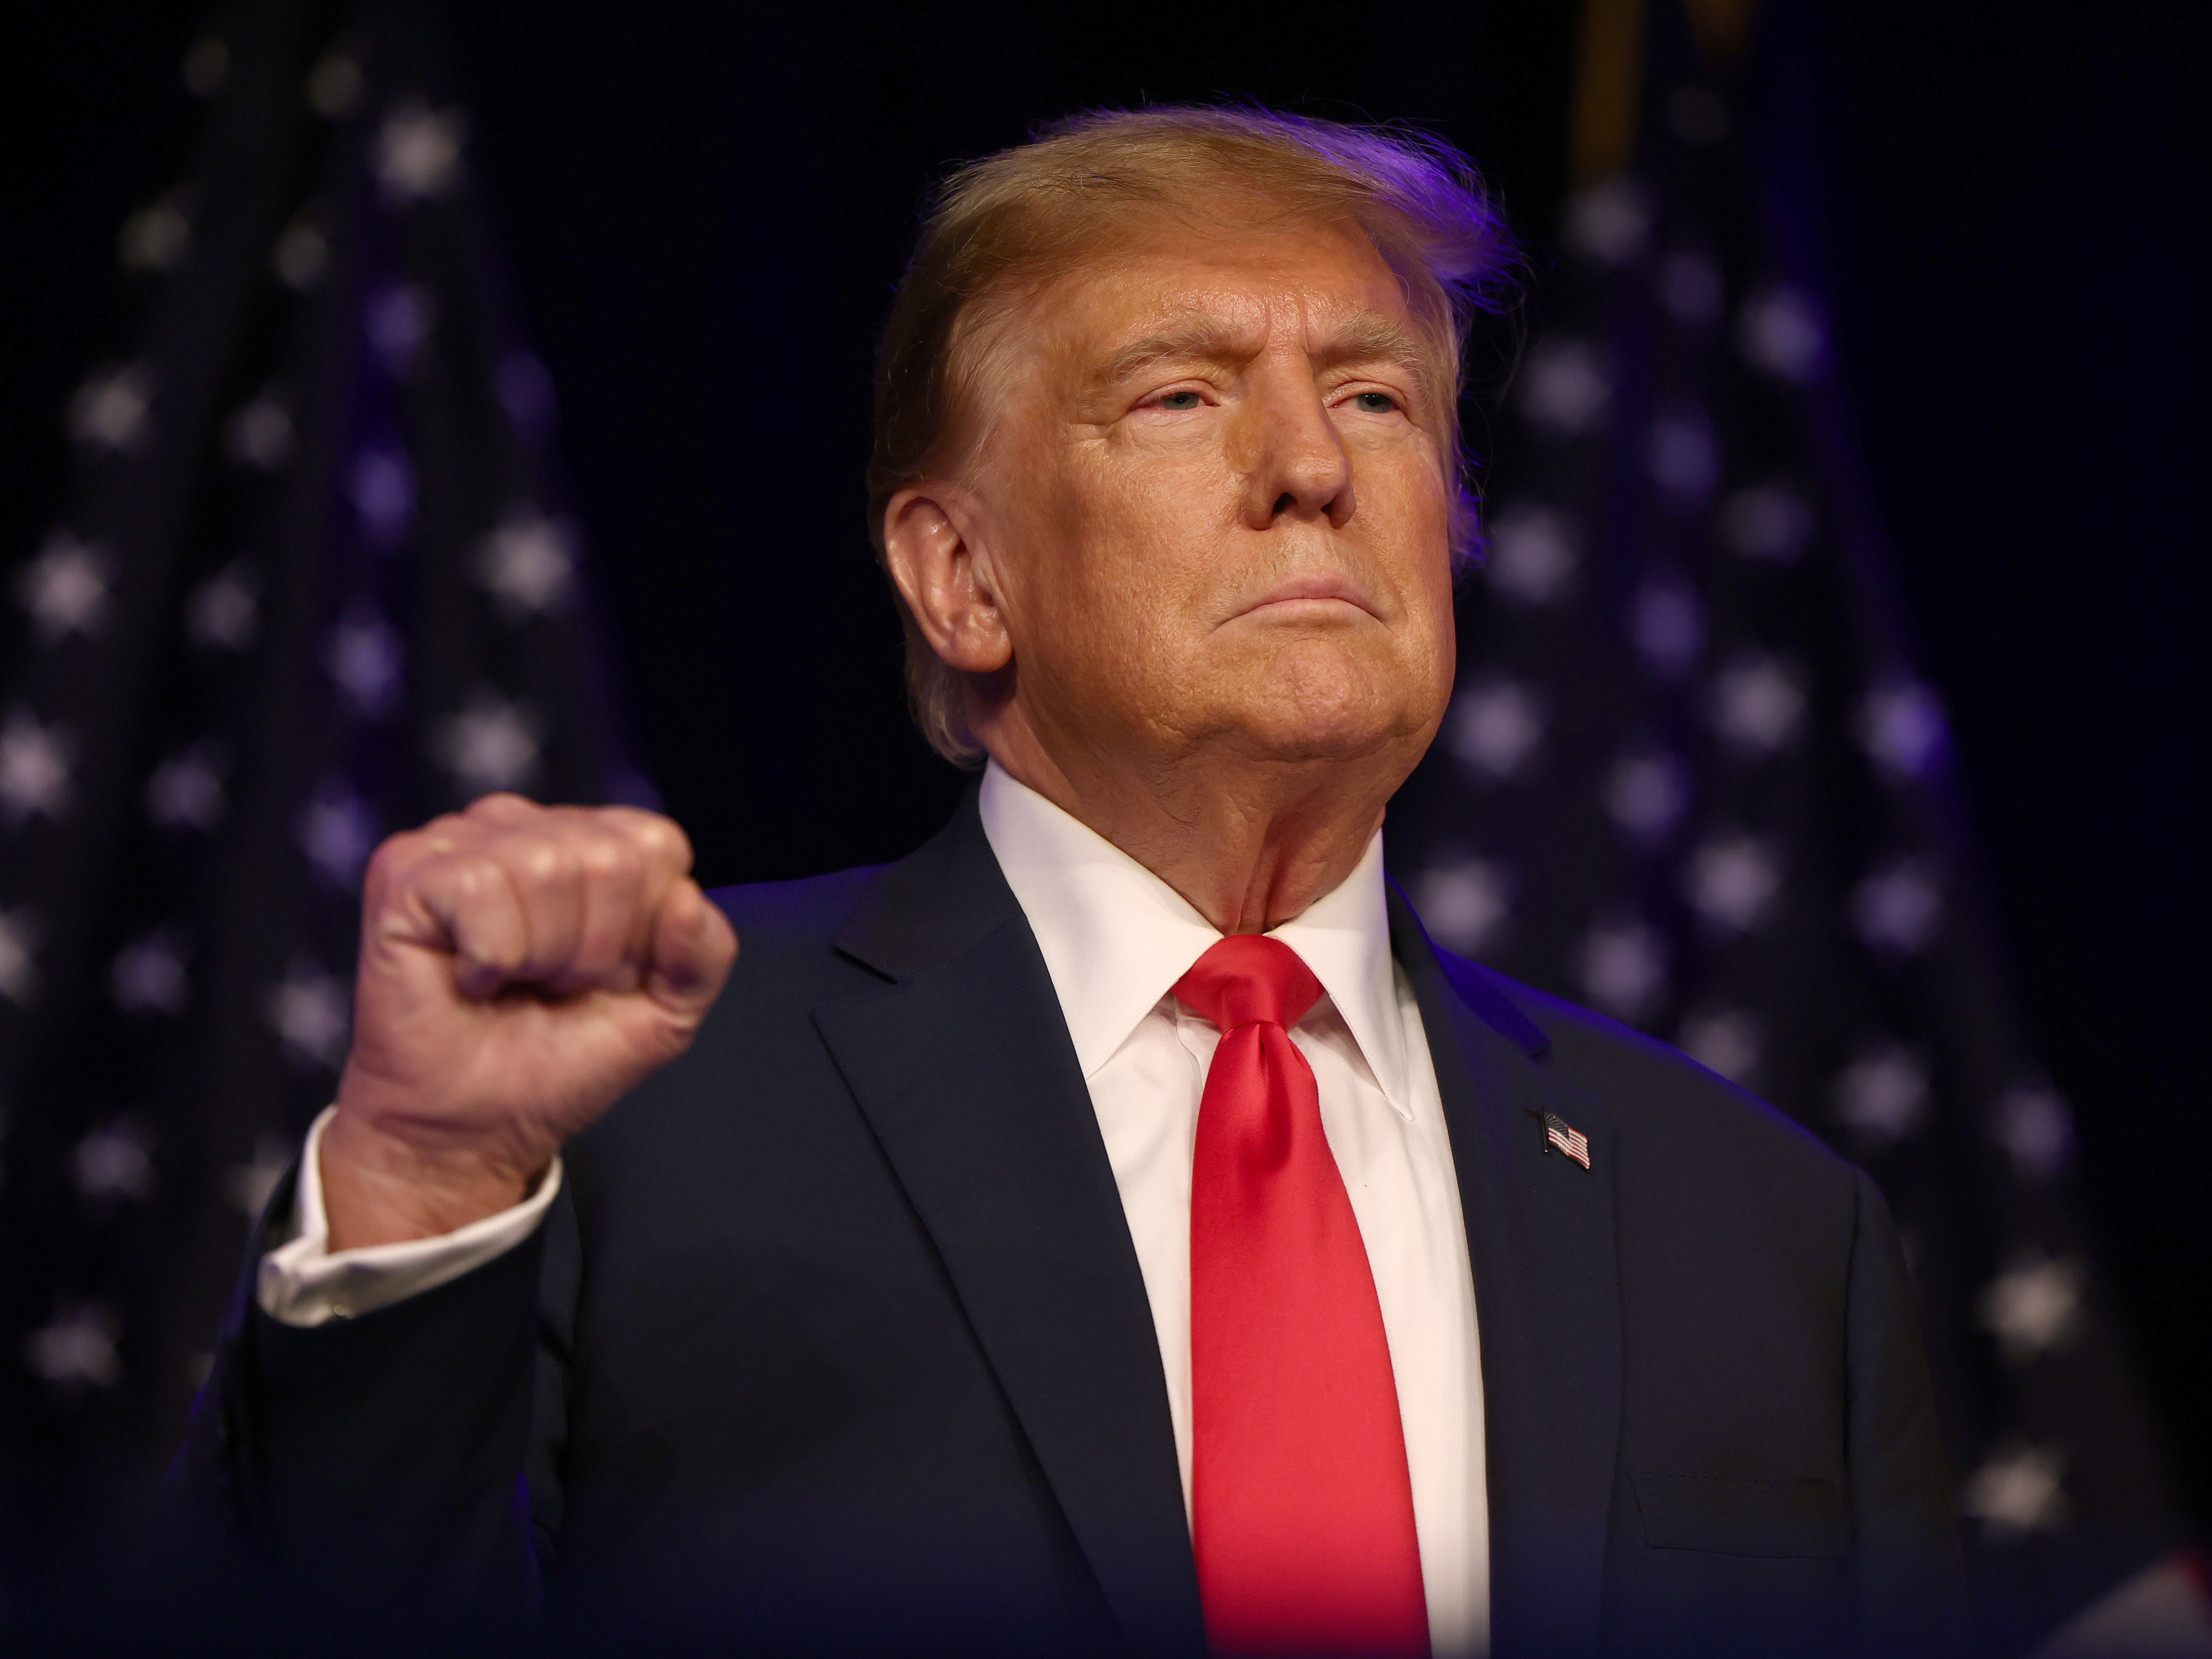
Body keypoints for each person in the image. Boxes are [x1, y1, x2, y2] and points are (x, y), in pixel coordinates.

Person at [178, 107, 1963, 1658]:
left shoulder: (1768, 1235)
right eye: (1181, 395)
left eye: (1377, 396)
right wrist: (419, 1188)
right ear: (960, 579)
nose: (1312, 466)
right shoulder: (634, 1103)